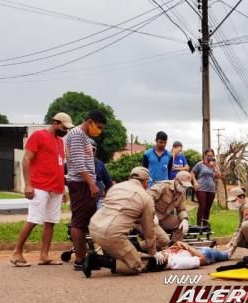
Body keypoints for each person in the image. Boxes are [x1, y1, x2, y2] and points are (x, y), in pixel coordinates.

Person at [10, 112, 74, 267]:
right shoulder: (38, 136)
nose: (65, 131)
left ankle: (44, 256)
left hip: (56, 188)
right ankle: (17, 252)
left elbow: (59, 166)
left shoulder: (60, 142)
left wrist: (63, 188)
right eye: (63, 127)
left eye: (67, 129)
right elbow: (26, 159)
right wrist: (27, 184)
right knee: (33, 219)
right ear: (55, 122)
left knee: (51, 221)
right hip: (39, 185)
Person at [85, 167, 165, 276]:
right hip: (111, 235)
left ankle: (111, 255)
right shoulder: (146, 198)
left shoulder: (116, 187)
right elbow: (149, 229)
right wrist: (153, 252)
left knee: (122, 248)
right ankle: (97, 260)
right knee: (136, 266)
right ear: (146, 182)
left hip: (94, 227)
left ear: (130, 177)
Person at [66, 110, 107, 271]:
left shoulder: (83, 137)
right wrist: (91, 183)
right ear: (90, 121)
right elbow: (77, 163)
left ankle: (84, 258)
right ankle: (80, 259)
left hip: (84, 182)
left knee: (84, 222)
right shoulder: (77, 135)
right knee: (79, 222)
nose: (99, 130)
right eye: (98, 126)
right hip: (81, 183)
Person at [147, 170, 196, 249]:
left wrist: (184, 219)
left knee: (181, 224)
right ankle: (138, 246)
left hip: (163, 217)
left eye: (186, 187)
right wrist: (152, 213)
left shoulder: (180, 194)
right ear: (176, 180)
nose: (184, 188)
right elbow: (147, 198)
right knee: (164, 240)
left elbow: (181, 209)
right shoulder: (163, 186)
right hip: (150, 217)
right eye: (183, 185)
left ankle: (174, 248)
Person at [191, 148, 222, 226]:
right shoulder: (200, 164)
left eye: (211, 156)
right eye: (208, 156)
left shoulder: (215, 165)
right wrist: (195, 182)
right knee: (202, 206)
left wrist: (214, 168)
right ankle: (198, 225)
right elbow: (192, 173)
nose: (210, 157)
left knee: (208, 208)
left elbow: (219, 176)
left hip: (211, 189)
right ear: (204, 156)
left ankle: (205, 225)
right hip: (201, 188)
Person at [162, 241, 229, 270]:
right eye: (163, 255)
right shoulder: (178, 262)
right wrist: (186, 246)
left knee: (222, 253)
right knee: (225, 255)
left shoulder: (163, 256)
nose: (163, 253)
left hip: (196, 250)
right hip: (205, 253)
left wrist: (177, 243)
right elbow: (203, 259)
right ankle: (230, 250)